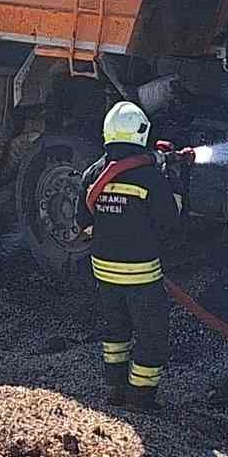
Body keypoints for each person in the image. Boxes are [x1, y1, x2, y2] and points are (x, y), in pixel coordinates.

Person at [80, 101, 179, 411]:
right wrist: (173, 180)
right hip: (141, 273)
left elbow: (83, 223)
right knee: (151, 335)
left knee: (116, 332)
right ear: (142, 133)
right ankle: (141, 397)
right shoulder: (150, 178)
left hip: (103, 272)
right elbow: (169, 222)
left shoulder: (95, 173)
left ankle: (115, 390)